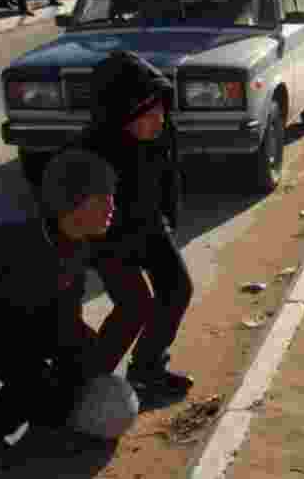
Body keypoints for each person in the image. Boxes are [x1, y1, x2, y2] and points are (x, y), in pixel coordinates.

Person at [0, 150, 149, 452]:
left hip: (30, 318)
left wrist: (82, 351)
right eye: (101, 199)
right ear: (72, 206)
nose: (112, 206)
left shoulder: (82, 242)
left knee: (81, 362)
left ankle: (48, 414)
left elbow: (67, 301)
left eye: (111, 196)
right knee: (33, 381)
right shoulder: (12, 243)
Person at [71, 51, 194, 401]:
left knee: (177, 290)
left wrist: (169, 219)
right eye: (149, 113)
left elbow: (169, 178)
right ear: (123, 115)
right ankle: (87, 385)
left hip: (150, 223)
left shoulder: (161, 131)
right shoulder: (90, 151)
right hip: (107, 236)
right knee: (134, 307)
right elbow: (67, 214)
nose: (159, 119)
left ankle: (147, 369)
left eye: (160, 109)